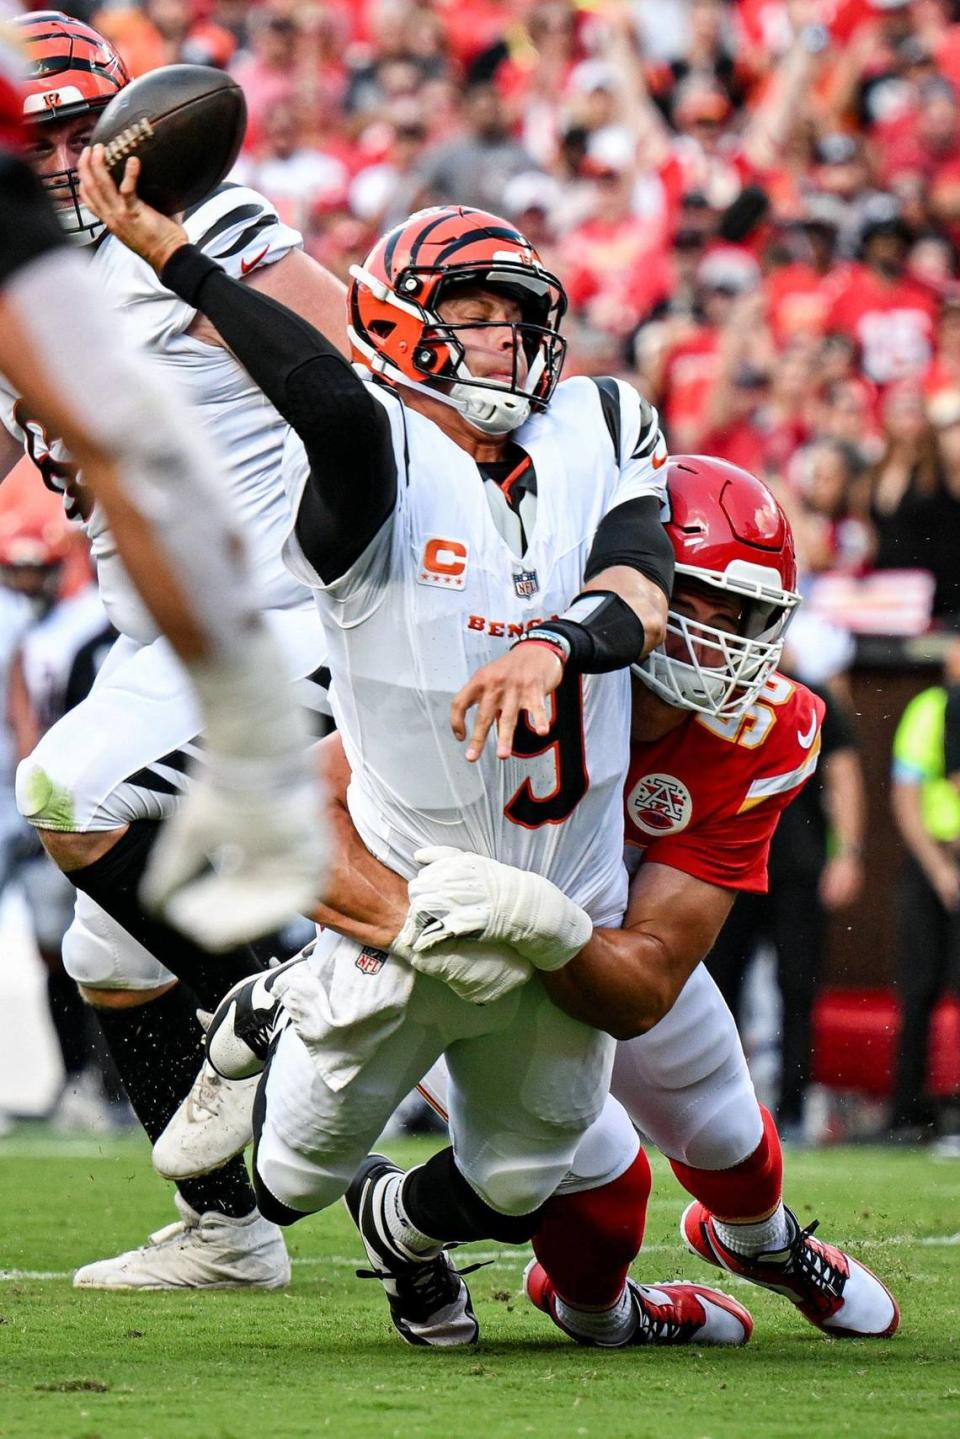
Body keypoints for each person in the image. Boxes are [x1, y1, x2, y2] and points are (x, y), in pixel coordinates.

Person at [82, 151, 747, 1347]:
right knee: (283, 1177)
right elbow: (323, 395)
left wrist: (554, 645)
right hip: (409, 885)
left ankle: (399, 1222)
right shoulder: (370, 451)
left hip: (566, 888)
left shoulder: (604, 417)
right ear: (403, 325)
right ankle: (272, 1007)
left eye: (514, 317)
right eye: (472, 319)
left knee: (517, 1179)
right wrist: (175, 257)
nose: (504, 340)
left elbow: (642, 582)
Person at [196, 458, 898, 1348]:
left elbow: (648, 980)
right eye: (703, 603)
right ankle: (597, 1309)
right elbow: (303, 806)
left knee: (720, 1119)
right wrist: (411, 925)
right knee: (601, 1185)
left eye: (743, 617)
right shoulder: (512, 658)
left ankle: (762, 1241)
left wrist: (557, 926)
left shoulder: (758, 729)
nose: (724, 640)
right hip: (461, 948)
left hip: (596, 929)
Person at [3, 11, 341, 1290]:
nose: (58, 161)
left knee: (64, 787)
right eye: (34, 137)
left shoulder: (203, 224)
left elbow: (361, 350)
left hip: (288, 618)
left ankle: (296, 992)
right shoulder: (25, 280)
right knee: (108, 953)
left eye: (80, 133)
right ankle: (228, 1229)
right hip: (165, 649)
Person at [0, 508, 124, 1133]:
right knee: (59, 947)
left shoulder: (87, 626)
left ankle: (105, 1084)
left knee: (103, 944)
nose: (24, 584)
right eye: (14, 572)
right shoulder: (32, 628)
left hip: (78, 800)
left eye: (35, 571)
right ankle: (84, 1080)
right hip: (32, 801)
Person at [706, 672, 866, 1140]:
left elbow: (843, 773)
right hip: (728, 863)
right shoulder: (716, 685)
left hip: (795, 865)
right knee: (715, 989)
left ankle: (794, 1111)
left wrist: (849, 853)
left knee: (798, 987)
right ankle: (715, 1110)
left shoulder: (810, 695)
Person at [889, 636, 960, 1145]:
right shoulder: (930, 710)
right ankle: (907, 1114)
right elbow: (907, 796)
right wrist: (939, 870)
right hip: (935, 862)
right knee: (917, 990)